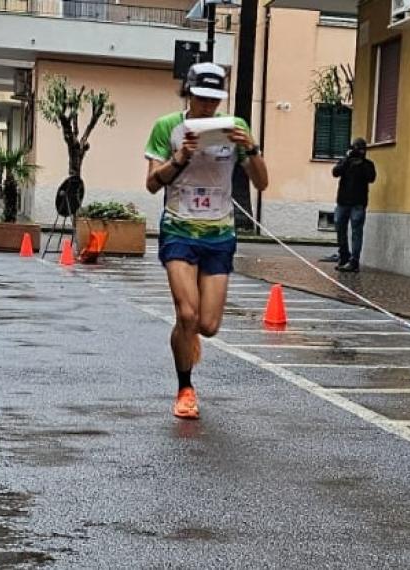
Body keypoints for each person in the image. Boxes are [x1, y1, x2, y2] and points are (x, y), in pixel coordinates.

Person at [144, 62, 269, 420]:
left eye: (214, 100)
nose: (207, 107)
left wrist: (252, 149)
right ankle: (185, 388)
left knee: (207, 326)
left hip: (219, 233)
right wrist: (180, 158)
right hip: (179, 230)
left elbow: (262, 183)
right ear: (189, 93)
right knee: (187, 313)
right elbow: (152, 184)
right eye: (201, 98)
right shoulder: (167, 127)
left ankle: (187, 335)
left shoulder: (235, 128)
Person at [322, 138, 376, 273]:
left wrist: (361, 163)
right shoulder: (345, 162)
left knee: (356, 232)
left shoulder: (368, 164)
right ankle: (344, 255)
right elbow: (335, 172)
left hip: (358, 203)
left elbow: (371, 178)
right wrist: (347, 159)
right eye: (358, 149)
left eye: (362, 149)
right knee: (340, 228)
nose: (360, 152)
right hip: (343, 202)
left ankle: (354, 261)